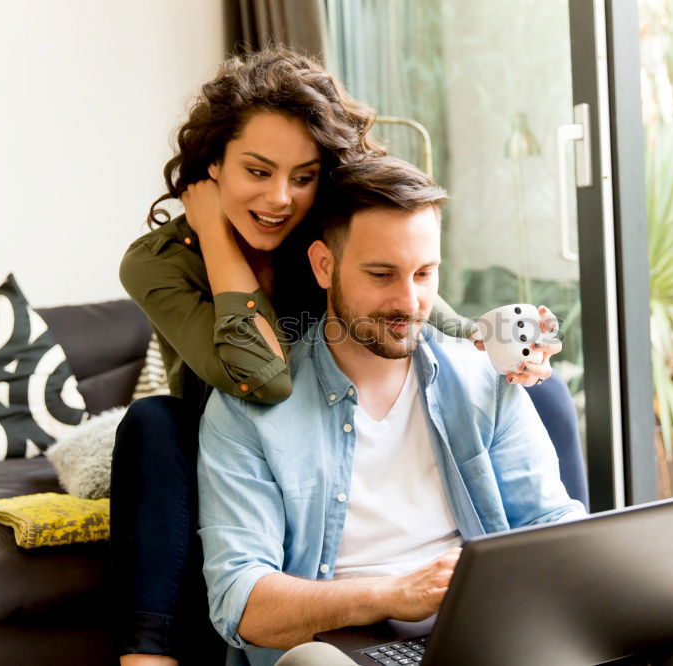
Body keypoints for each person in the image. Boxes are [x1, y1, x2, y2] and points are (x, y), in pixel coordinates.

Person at [197, 157, 673, 666]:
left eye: (424, 274)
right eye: (380, 274)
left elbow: (547, 523)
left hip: (497, 636)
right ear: (324, 266)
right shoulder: (248, 409)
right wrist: (393, 594)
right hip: (352, 651)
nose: (409, 301)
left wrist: (615, 564)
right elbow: (239, 600)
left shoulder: (480, 376)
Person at [112, 47, 565, 666]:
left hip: (319, 391)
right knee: (152, 425)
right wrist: (217, 238)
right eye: (257, 171)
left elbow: (430, 316)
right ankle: (148, 654)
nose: (279, 198)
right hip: (238, 409)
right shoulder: (160, 261)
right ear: (213, 166)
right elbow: (263, 381)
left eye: (302, 176)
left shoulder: (322, 229)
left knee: (539, 390)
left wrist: (506, 345)